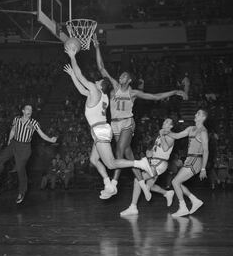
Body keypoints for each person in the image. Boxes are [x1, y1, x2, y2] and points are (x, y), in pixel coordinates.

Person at [93, 34, 186, 199]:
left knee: (119, 150)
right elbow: (101, 67)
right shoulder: (114, 86)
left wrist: (174, 91)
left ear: (129, 80)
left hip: (127, 123)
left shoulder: (133, 93)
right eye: (120, 75)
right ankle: (143, 184)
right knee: (129, 155)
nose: (120, 76)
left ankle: (113, 184)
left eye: (124, 76)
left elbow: (155, 96)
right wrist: (97, 47)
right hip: (114, 124)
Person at [63, 45, 154, 196]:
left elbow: (81, 77)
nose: (95, 81)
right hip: (100, 129)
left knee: (111, 164)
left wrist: (72, 57)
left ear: (99, 86)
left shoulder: (94, 89)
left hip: (100, 130)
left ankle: (139, 163)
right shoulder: (101, 95)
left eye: (97, 81)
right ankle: (108, 183)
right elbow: (80, 89)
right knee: (93, 159)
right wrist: (72, 74)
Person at [0, 105, 57, 204]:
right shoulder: (16, 119)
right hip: (14, 144)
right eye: (28, 109)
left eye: (31, 109)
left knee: (20, 169)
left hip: (25, 148)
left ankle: (22, 192)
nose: (30, 111)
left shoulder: (34, 123)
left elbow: (42, 134)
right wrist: (9, 141)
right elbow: (13, 130)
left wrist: (50, 139)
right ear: (23, 111)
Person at [120, 118, 176, 216]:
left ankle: (133, 207)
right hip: (153, 161)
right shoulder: (160, 135)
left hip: (160, 163)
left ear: (171, 126)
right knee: (149, 187)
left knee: (138, 178)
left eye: (167, 122)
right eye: (164, 121)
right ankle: (167, 193)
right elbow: (157, 149)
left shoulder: (171, 136)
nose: (164, 122)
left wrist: (162, 134)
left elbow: (165, 148)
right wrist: (150, 152)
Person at [166, 109, 209, 217]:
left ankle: (183, 208)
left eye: (198, 114)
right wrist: (167, 131)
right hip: (190, 159)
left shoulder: (203, 132)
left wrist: (203, 168)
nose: (195, 115)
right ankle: (194, 200)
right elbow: (177, 136)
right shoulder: (191, 128)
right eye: (196, 113)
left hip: (196, 160)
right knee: (178, 182)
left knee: (175, 182)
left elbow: (206, 150)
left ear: (203, 118)